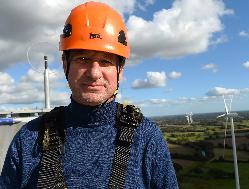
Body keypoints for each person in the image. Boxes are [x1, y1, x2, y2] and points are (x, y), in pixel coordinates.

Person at [0, 1, 178, 189]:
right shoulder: (29, 138)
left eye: (106, 61)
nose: (94, 73)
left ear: (120, 70)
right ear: (65, 64)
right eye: (83, 59)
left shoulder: (147, 138)